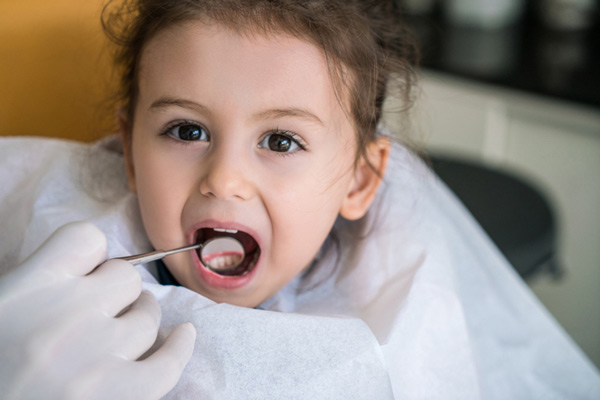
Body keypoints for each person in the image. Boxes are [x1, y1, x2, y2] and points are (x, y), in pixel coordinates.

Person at [0, 0, 599, 398]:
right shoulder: (43, 245)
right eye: (187, 130)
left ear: (359, 182)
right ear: (130, 153)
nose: (225, 179)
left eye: (281, 140)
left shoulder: (395, 329)